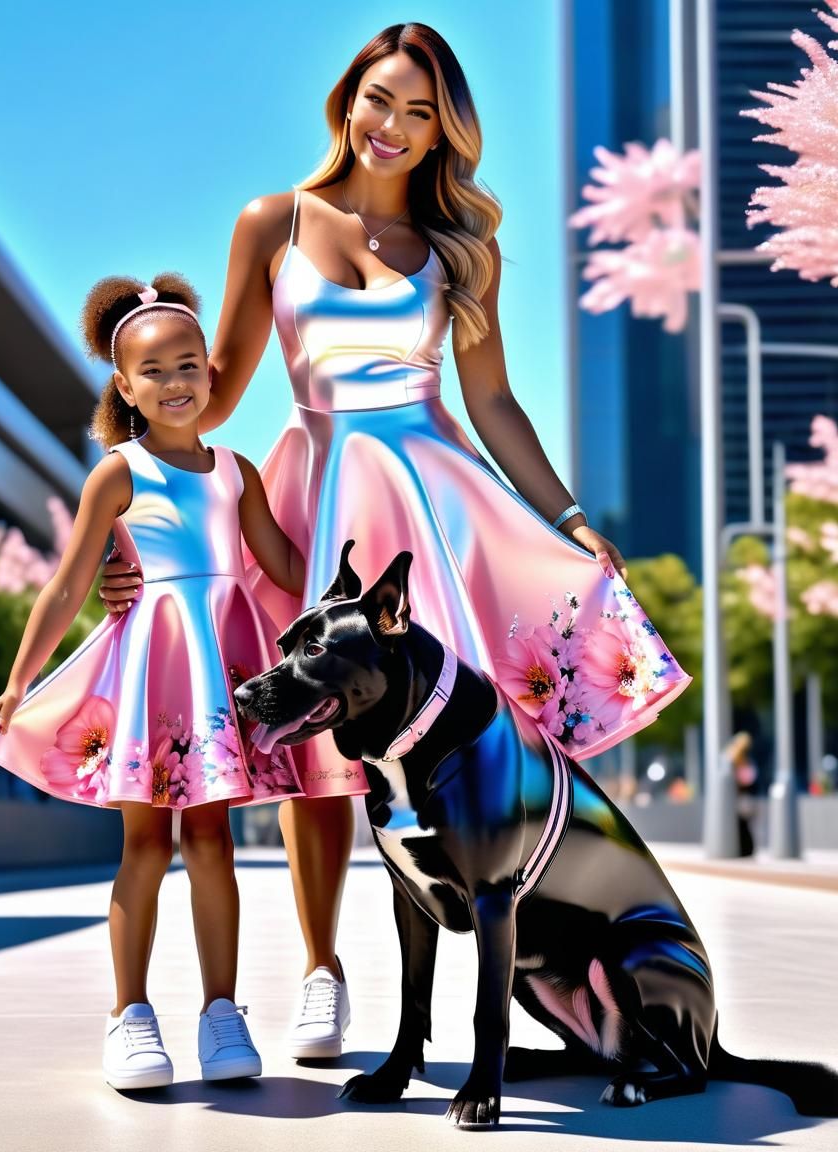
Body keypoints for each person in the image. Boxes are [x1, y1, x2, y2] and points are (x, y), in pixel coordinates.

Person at [98, 23, 691, 1061]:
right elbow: (208, 398)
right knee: (316, 743)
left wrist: (567, 519)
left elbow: (493, 400)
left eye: (421, 113)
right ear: (347, 99)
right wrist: (125, 520)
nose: (394, 126)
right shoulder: (272, 221)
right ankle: (321, 973)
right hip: (312, 496)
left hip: (434, 506)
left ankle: (512, 974)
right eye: (381, 99)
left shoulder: (460, 246)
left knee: (450, 738)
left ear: (443, 132)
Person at [0, 272, 354, 1090]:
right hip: (151, 674)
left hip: (216, 673)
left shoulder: (236, 471)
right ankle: (129, 1014)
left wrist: (356, 567)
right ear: (125, 387)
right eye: (153, 371)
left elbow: (287, 567)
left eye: (189, 365)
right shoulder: (117, 473)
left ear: (210, 372)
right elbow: (68, 585)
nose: (175, 382)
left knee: (212, 841)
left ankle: (222, 1013)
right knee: (145, 844)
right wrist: (19, 679)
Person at [726, 731, 758, 857]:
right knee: (742, 825)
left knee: (742, 825)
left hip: (739, 797)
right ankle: (746, 850)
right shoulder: (738, 760)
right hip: (740, 797)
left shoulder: (738, 760)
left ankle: (745, 849)